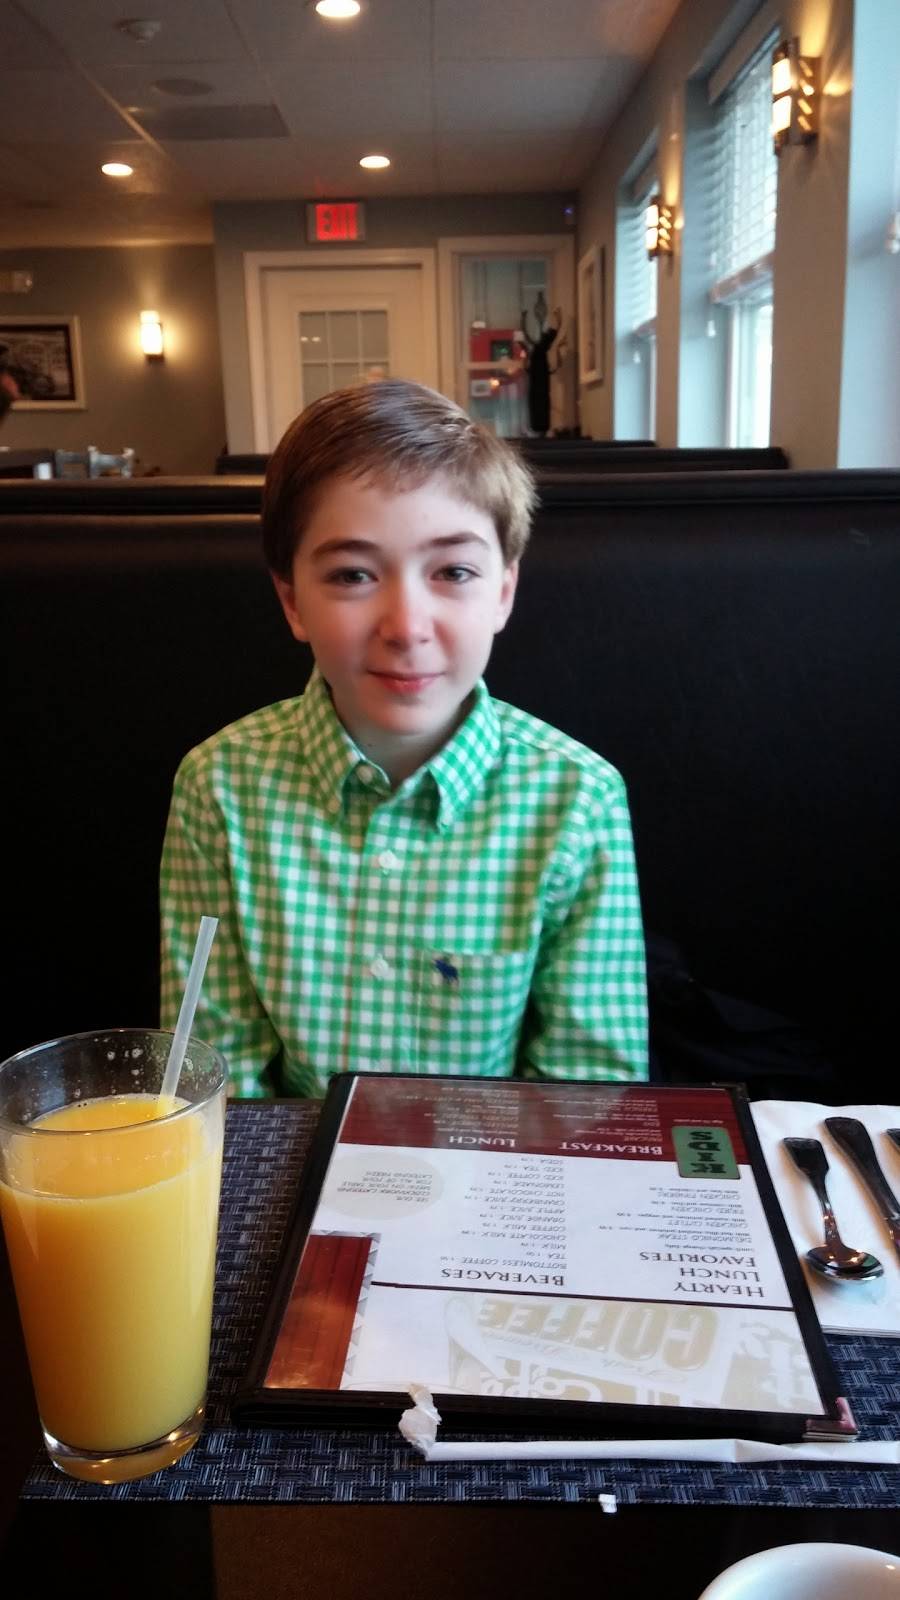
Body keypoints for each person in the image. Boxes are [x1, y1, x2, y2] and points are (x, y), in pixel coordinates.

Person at [160, 379, 648, 1097]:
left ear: (502, 592)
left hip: (494, 1161)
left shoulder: (578, 799)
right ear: (292, 602)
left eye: (453, 571)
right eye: (353, 574)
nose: (407, 626)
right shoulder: (219, 787)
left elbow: (590, 1091)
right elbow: (216, 1081)